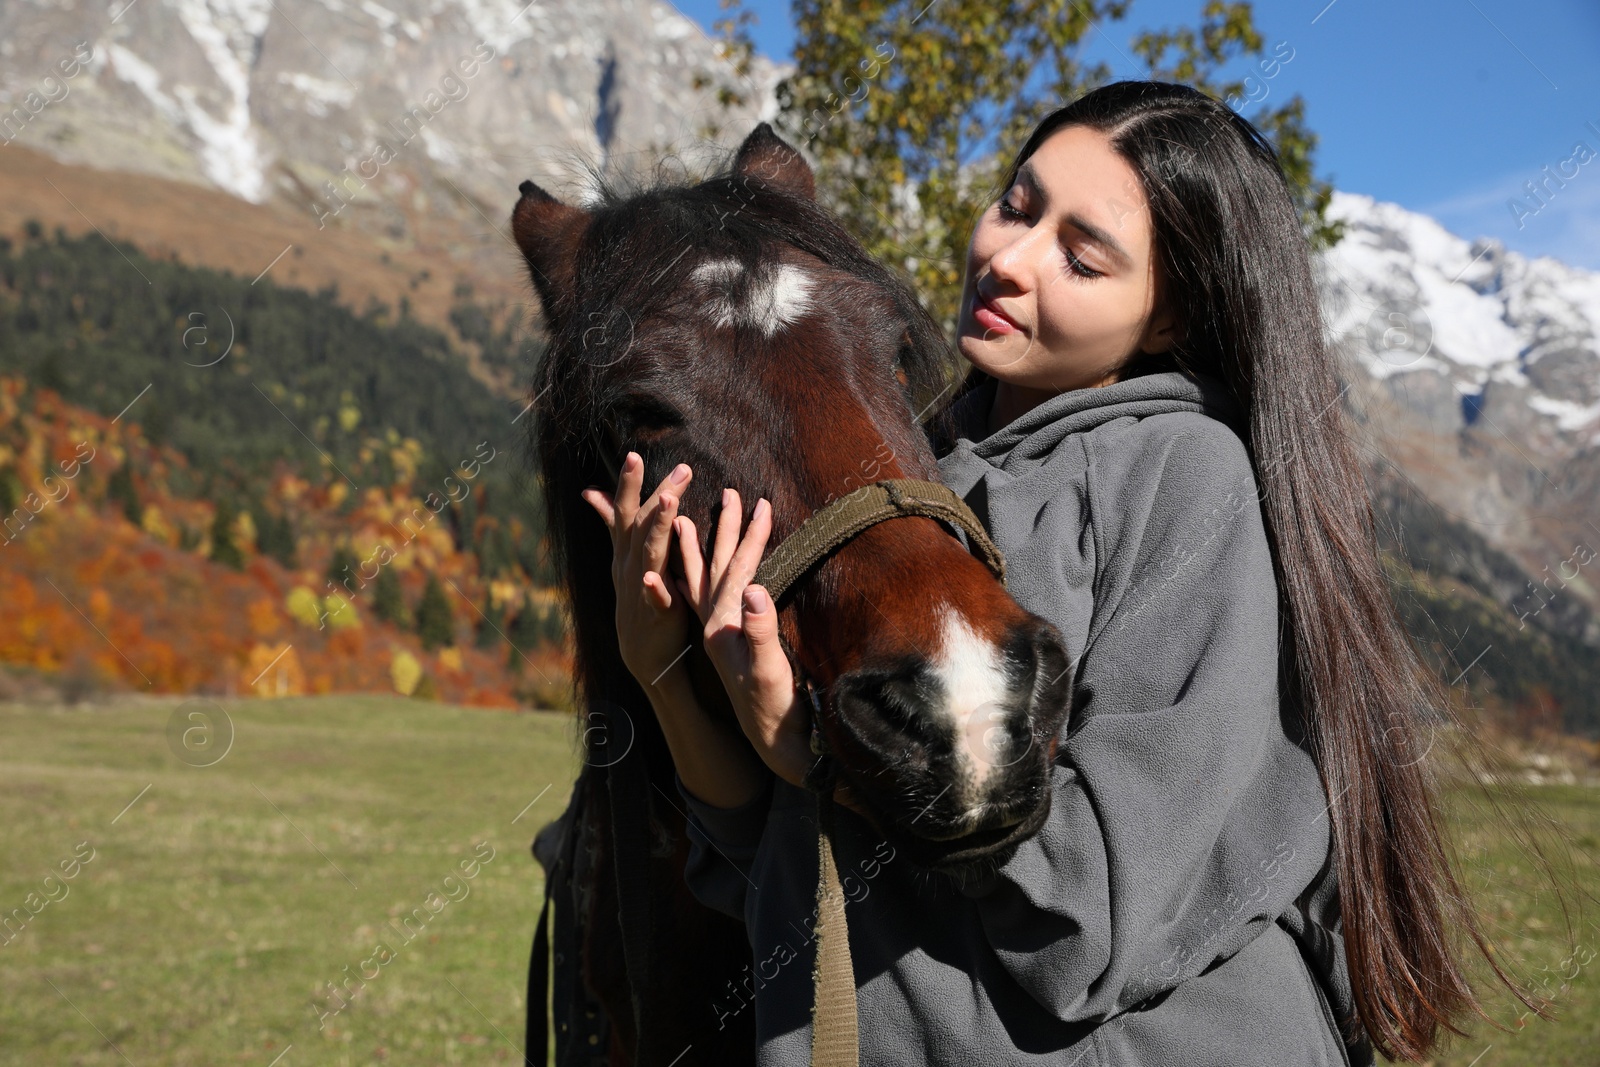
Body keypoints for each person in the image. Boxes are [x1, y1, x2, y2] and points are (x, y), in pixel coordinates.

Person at [580, 81, 1517, 1065]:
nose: (1009, 258)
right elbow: (777, 868)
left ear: (1168, 318)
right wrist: (663, 671)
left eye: (1081, 254)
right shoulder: (905, 487)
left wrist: (819, 753)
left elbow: (1091, 915)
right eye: (1015, 207)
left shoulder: (1186, 475)